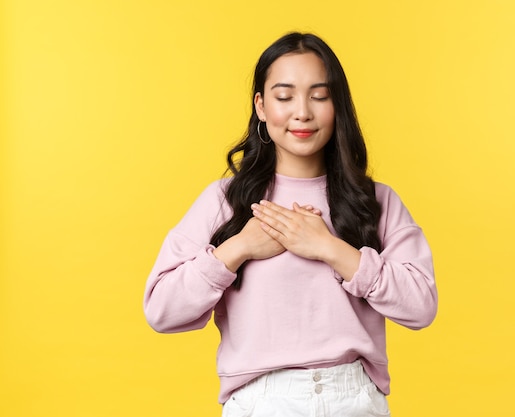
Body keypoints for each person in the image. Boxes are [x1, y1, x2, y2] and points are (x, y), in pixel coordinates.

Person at [143, 32, 437, 416]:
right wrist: (239, 248)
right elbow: (162, 311)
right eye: (284, 97)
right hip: (261, 400)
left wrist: (330, 248)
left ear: (338, 105)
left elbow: (421, 306)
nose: (302, 112)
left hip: (354, 399)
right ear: (261, 106)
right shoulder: (225, 200)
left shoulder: (376, 200)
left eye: (319, 95)